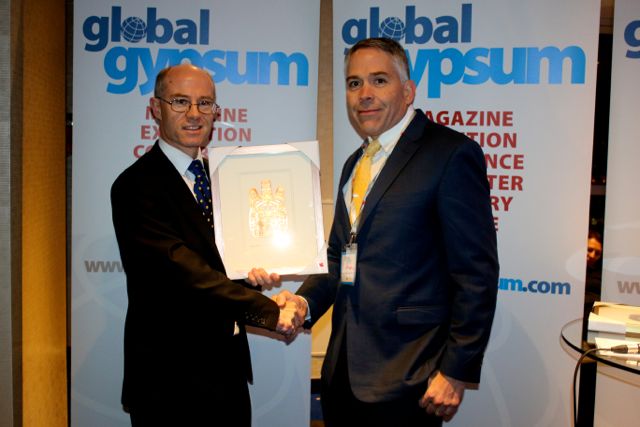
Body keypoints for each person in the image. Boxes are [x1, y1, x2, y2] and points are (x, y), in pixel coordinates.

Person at [277, 38, 499, 426]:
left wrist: (455, 370)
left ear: (408, 90)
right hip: (343, 374)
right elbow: (338, 255)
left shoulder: (450, 154)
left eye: (379, 80)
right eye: (354, 83)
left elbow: (476, 273)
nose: (364, 94)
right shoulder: (354, 163)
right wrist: (303, 303)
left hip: (411, 377)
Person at [111, 63, 298, 426]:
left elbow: (221, 264)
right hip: (169, 382)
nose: (195, 113)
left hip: (227, 372)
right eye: (181, 101)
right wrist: (267, 310)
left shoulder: (224, 180)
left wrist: (249, 274)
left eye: (205, 103)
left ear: (216, 111)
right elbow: (181, 272)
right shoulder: (135, 186)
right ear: (155, 108)